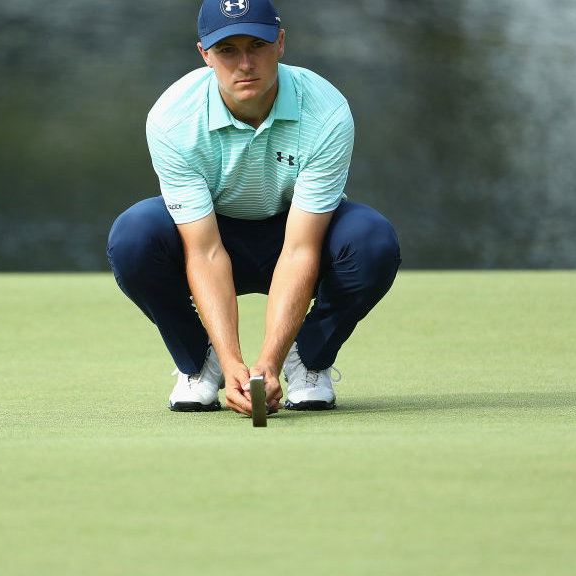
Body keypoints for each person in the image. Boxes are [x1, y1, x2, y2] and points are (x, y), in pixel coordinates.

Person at [107, 0, 401, 417]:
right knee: (133, 236)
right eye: (227, 50)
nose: (245, 64)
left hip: (296, 233)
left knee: (372, 241)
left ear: (279, 43)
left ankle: (308, 359)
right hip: (213, 235)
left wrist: (269, 363)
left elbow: (300, 249)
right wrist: (232, 363)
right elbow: (205, 251)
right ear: (205, 55)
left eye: (257, 46)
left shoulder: (326, 111)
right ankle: (200, 362)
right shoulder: (173, 118)